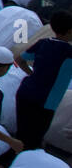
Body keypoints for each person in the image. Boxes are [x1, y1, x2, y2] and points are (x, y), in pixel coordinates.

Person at [13, 10, 72, 152]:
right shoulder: (69, 53)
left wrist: (32, 74)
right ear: (70, 31)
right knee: (32, 142)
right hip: (45, 103)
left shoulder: (43, 43)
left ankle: (5, 164)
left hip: (25, 92)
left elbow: (20, 60)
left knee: (21, 136)